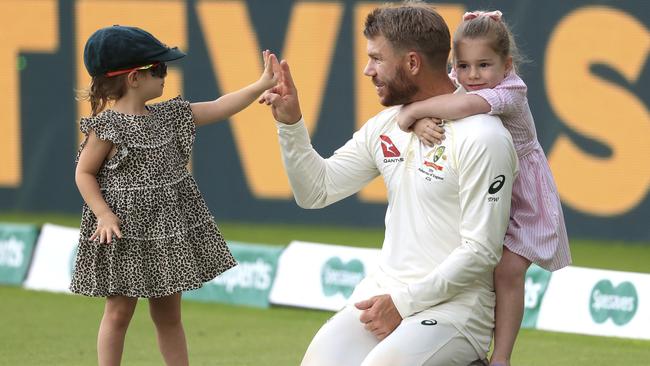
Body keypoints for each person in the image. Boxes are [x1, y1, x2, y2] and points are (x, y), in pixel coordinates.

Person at [262, 2, 518, 365]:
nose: (368, 70)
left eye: (377, 58)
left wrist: (403, 304)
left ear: (412, 63)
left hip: (455, 313)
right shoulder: (387, 126)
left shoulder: (484, 136)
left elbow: (481, 251)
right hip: (382, 296)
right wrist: (290, 124)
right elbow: (316, 190)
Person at [70, 25, 279, 366]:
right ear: (134, 78)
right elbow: (84, 172)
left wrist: (261, 84)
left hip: (167, 233)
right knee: (118, 313)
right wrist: (104, 214)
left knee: (169, 317)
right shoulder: (107, 126)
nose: (166, 75)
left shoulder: (170, 116)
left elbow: (219, 106)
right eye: (159, 69)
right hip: (126, 232)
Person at [397, 10, 572, 365]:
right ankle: (452, 335)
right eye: (463, 66)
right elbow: (430, 100)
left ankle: (502, 357)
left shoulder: (511, 92)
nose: (472, 75)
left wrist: (409, 115)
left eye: (483, 65)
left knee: (507, 271)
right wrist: (415, 122)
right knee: (469, 261)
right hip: (486, 191)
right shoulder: (458, 82)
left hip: (522, 199)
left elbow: (460, 105)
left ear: (506, 65)